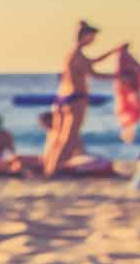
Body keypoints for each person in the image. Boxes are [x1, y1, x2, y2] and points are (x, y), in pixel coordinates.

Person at [45, 20, 127, 176]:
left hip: (63, 99)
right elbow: (94, 74)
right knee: (69, 138)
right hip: (75, 100)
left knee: (59, 137)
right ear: (84, 36)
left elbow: (93, 62)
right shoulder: (77, 55)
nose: (93, 41)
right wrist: (119, 77)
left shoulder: (73, 54)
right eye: (92, 37)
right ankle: (55, 170)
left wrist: (114, 51)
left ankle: (50, 167)